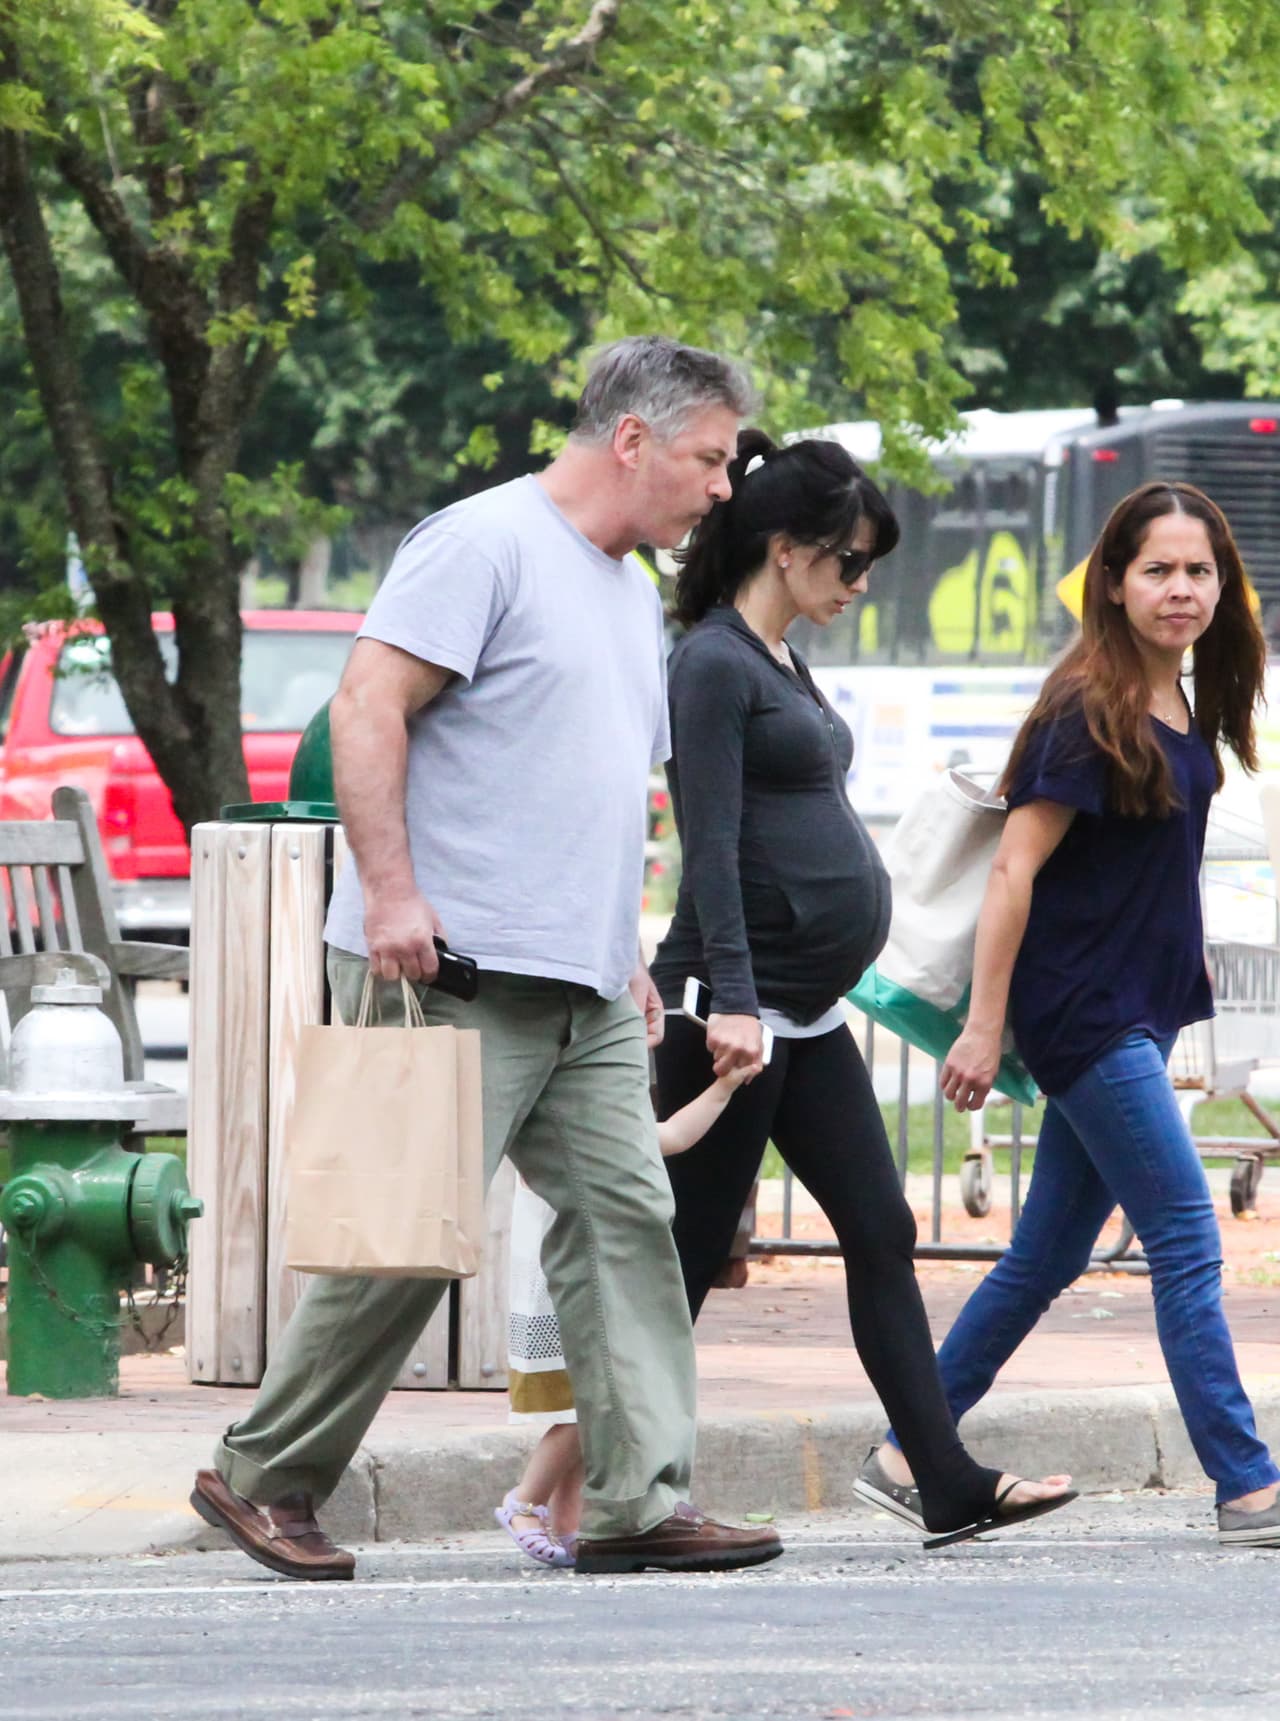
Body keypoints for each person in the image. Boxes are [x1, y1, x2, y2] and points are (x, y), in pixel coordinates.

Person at [188, 336, 783, 1580]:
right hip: (447, 968)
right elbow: (365, 706)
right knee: (406, 1233)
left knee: (628, 1216)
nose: (724, 485)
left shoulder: (628, 591)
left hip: (579, 981)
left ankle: (634, 1499)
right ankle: (262, 1476)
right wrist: (392, 892)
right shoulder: (482, 543)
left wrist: (620, 942)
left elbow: (589, 786)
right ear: (631, 439)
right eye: (709, 457)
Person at [645, 429, 1077, 1547]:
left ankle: (941, 1478)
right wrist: (731, 1001)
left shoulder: (778, 658)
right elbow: (711, 848)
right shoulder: (709, 662)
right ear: (785, 549)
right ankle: (620, 1487)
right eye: (847, 561)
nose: (859, 581)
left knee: (880, 1227)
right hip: (735, 1014)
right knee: (682, 1261)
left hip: (802, 1008)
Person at [866, 480, 1280, 1548]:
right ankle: (1244, 1483)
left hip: (1133, 1008)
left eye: (1197, 571)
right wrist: (981, 1024)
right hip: (1082, 1012)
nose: (1179, 589)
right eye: (1157, 570)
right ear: (1110, 581)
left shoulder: (1180, 697)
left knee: (1044, 1256)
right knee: (1185, 1230)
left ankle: (907, 1445)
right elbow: (1012, 870)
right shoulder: (1083, 704)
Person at [497, 1064, 755, 1568]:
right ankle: (523, 1501)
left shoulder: (606, 1131)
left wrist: (724, 1086)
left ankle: (569, 1521)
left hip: (581, 1283)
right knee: (586, 1407)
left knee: (588, 1407)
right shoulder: (552, 1130)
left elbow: (675, 1135)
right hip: (557, 1288)